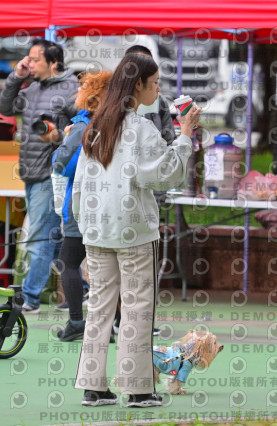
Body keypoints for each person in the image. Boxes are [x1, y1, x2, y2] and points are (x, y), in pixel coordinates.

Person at [72, 54, 201, 407]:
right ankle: (139, 387)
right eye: (154, 83)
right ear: (138, 84)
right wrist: (185, 134)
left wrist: (85, 226)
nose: (158, 89)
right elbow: (165, 174)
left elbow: (80, 185)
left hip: (97, 229)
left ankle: (93, 387)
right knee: (138, 307)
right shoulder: (141, 128)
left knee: (99, 307)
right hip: (134, 230)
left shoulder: (96, 126)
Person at [0, 39, 78, 314]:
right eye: (28, 59)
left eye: (34, 60)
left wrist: (57, 139)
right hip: (30, 172)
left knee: (39, 237)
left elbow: (83, 132)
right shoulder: (33, 87)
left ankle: (30, 298)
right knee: (52, 238)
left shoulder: (72, 89)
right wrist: (16, 77)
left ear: (53, 62)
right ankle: (80, 289)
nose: (29, 63)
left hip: (51, 172)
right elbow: (6, 108)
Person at [112, 44, 177, 338]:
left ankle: (137, 323)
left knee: (134, 278)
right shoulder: (115, 114)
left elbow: (167, 147)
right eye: (153, 81)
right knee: (127, 277)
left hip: (137, 203)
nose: (157, 87)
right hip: (124, 210)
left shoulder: (155, 107)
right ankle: (125, 323)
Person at [52, 70, 112, 341]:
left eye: (82, 87)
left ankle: (76, 321)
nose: (77, 91)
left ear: (92, 96)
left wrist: (62, 145)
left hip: (81, 205)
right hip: (112, 207)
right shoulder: (119, 125)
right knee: (110, 269)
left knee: (68, 262)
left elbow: (63, 165)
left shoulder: (82, 127)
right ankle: (113, 324)